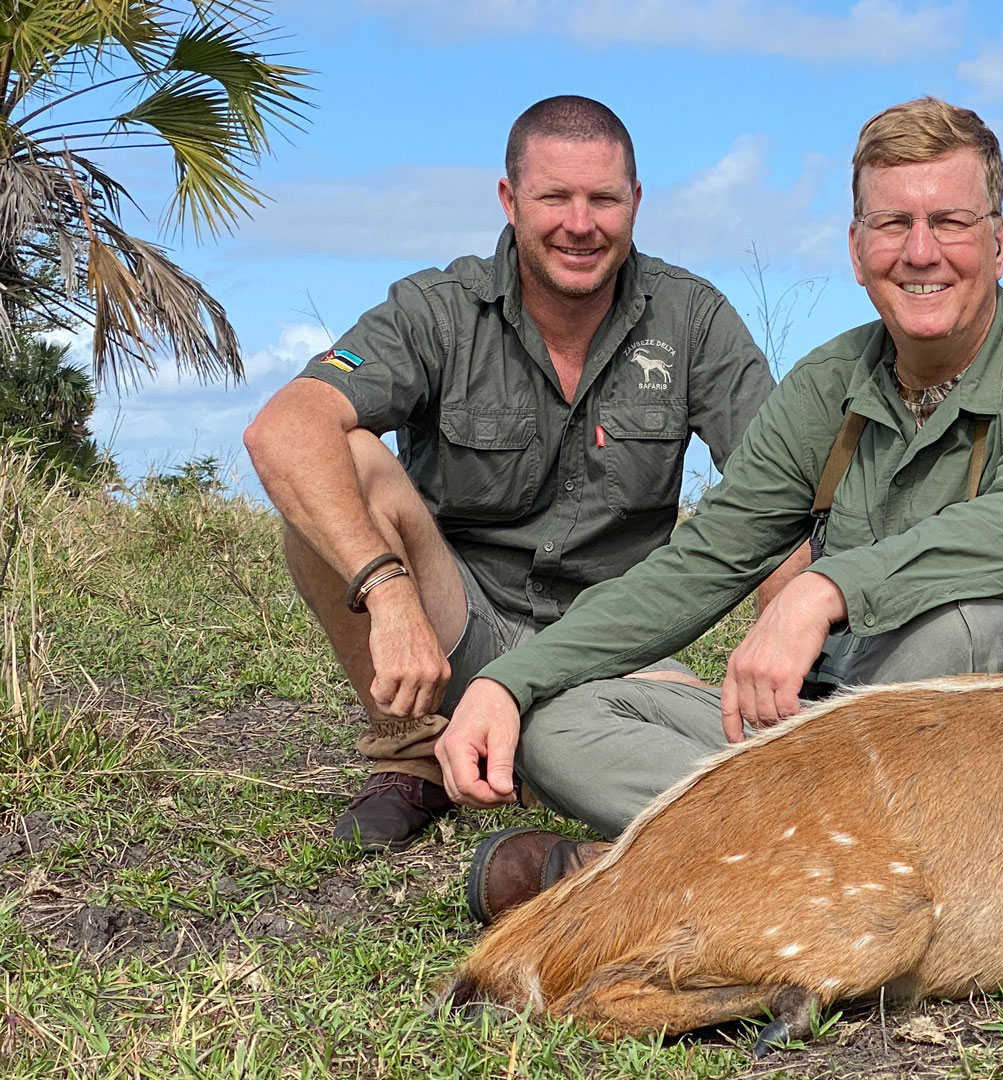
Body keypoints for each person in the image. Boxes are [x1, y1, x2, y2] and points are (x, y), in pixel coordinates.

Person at [436, 96, 1003, 924]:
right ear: (855, 247)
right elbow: (702, 564)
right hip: (830, 735)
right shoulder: (827, 381)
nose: (920, 252)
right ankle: (810, 868)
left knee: (963, 626)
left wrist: (820, 589)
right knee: (563, 718)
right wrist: (506, 681)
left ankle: (686, 869)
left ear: (999, 239)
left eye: (950, 221)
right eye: (891, 225)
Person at [244, 96, 775, 853]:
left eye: (604, 199)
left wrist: (791, 643)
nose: (580, 224)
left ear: (636, 202)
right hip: (457, 623)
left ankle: (546, 759)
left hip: (613, 647)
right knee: (345, 459)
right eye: (555, 197)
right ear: (510, 200)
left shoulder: (692, 318)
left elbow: (778, 492)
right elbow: (282, 427)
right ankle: (413, 754)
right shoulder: (437, 307)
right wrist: (390, 597)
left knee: (736, 745)